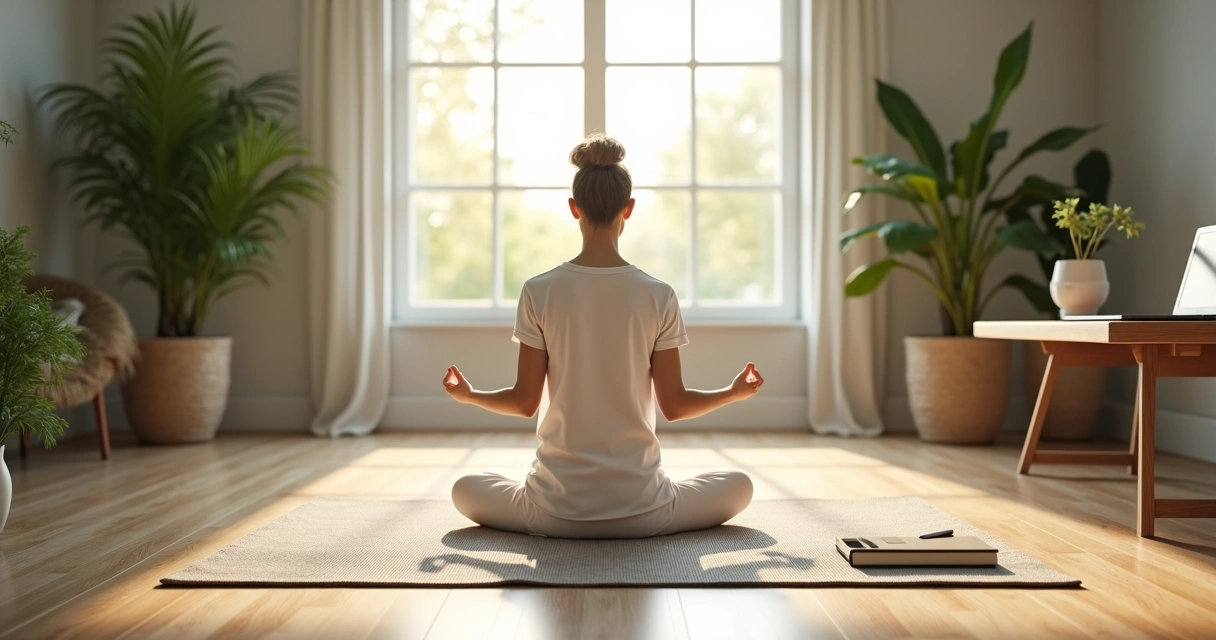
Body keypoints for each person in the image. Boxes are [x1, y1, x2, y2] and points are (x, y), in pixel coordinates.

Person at [442, 134, 763, 539]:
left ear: (574, 208)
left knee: (464, 488)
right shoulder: (658, 294)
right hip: (646, 510)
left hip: (552, 511)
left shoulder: (539, 290)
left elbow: (525, 403)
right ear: (628, 209)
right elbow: (676, 406)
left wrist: (470, 395)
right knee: (740, 485)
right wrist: (733, 393)